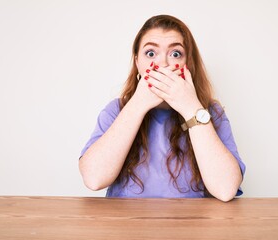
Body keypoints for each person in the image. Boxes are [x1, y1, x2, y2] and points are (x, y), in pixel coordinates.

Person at [79, 15, 245, 202]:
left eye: (175, 54)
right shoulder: (117, 110)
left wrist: (191, 108)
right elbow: (94, 179)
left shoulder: (209, 113)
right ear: (137, 62)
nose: (163, 64)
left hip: (193, 226)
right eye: (150, 53)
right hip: (126, 227)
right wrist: (137, 104)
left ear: (187, 64)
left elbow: (225, 189)